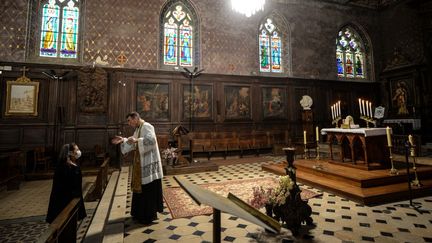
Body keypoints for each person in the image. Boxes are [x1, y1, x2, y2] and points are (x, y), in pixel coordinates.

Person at [111, 111, 164, 224]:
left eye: (130, 121)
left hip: (148, 162)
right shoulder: (138, 129)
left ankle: (148, 216)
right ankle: (139, 213)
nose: (129, 124)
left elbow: (152, 141)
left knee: (148, 189)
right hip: (140, 163)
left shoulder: (147, 126)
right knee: (140, 188)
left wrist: (137, 141)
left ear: (135, 118)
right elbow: (133, 141)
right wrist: (123, 140)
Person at [46, 143, 86, 223]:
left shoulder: (71, 165)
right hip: (65, 201)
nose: (78, 152)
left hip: (72, 197)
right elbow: (69, 185)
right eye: (76, 150)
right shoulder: (65, 167)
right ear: (70, 153)